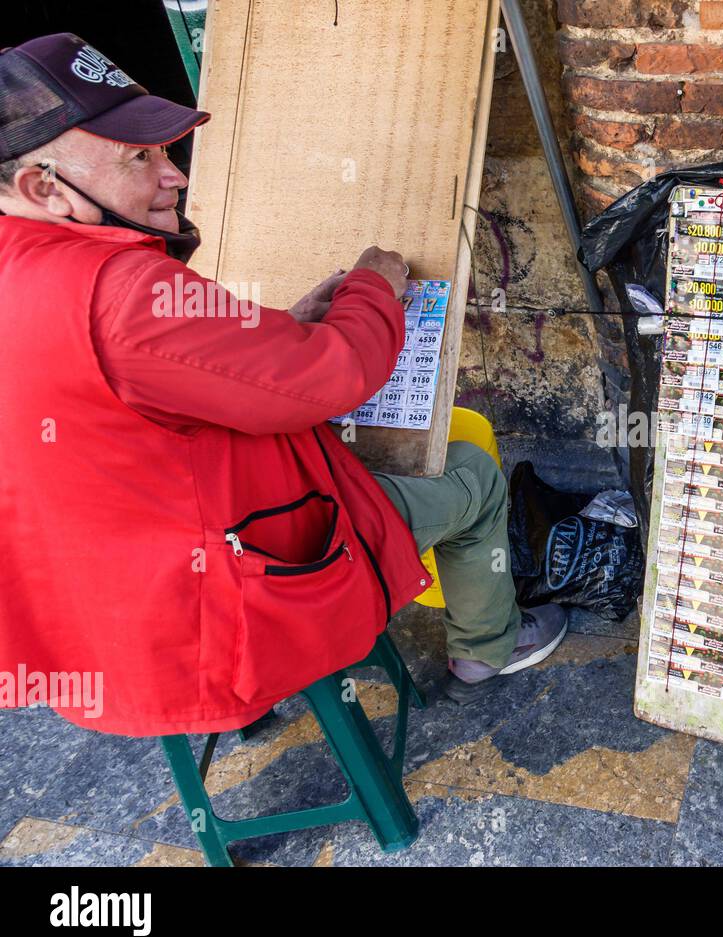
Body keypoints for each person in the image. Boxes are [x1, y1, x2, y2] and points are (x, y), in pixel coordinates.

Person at [0, 33, 565, 734]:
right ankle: (489, 651)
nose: (174, 175)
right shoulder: (118, 289)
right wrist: (374, 286)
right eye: (138, 159)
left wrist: (286, 325)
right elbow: (333, 378)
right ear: (42, 187)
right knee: (475, 474)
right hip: (215, 602)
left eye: (166, 152)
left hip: (95, 611)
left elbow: (147, 388)